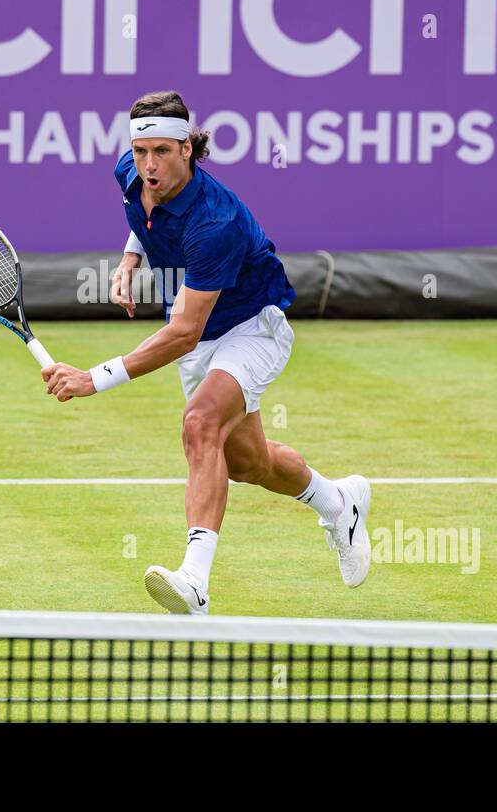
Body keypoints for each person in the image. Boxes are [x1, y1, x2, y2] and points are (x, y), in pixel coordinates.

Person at [41, 91, 371, 615]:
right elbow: (144, 217)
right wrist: (130, 261)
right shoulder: (131, 172)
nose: (150, 166)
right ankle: (339, 501)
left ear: (188, 148)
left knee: (199, 424)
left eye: (163, 153)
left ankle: (194, 581)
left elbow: (182, 335)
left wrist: (93, 378)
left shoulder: (215, 222)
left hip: (252, 327)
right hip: (203, 333)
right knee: (247, 463)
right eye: (142, 151)